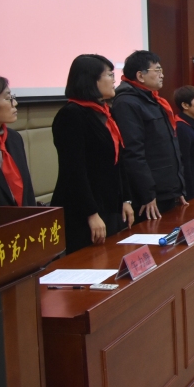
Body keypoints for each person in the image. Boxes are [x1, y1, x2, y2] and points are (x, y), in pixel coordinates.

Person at [51, 56, 133, 253]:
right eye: (109, 75)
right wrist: (91, 213)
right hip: (83, 210)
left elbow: (118, 161)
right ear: (90, 79)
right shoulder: (71, 115)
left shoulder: (106, 112)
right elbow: (74, 170)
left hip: (110, 204)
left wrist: (125, 199)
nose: (114, 80)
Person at [113, 51, 186, 222]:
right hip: (150, 197)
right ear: (140, 76)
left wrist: (177, 188)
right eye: (157, 70)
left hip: (167, 190)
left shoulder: (153, 100)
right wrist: (147, 194)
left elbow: (168, 146)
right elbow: (133, 153)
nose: (162, 75)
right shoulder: (126, 103)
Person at [0, 75, 36, 207]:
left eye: (13, 97)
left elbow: (28, 192)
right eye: (8, 98)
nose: (15, 103)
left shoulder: (14, 138)